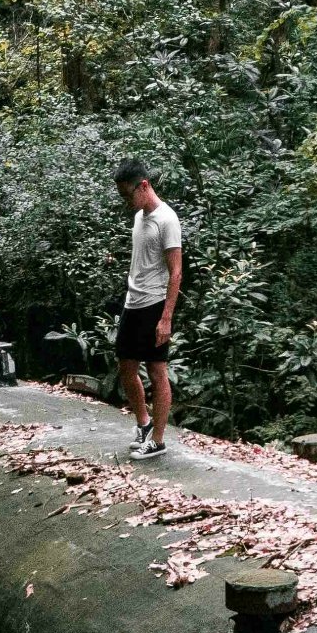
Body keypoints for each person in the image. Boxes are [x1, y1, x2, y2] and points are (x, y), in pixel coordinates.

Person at [112, 159, 181, 460]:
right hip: (133, 302)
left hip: (154, 304)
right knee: (126, 366)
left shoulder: (167, 219)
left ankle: (159, 440)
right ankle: (143, 423)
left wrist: (166, 318)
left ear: (144, 185)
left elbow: (176, 272)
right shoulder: (140, 217)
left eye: (129, 195)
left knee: (157, 370)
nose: (127, 202)